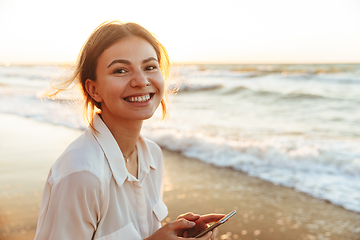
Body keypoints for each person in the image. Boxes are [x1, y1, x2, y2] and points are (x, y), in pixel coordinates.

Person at [34, 20, 224, 240]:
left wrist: (176, 232)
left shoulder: (152, 155)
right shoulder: (82, 174)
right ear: (93, 90)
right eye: (121, 70)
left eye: (150, 67)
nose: (141, 81)